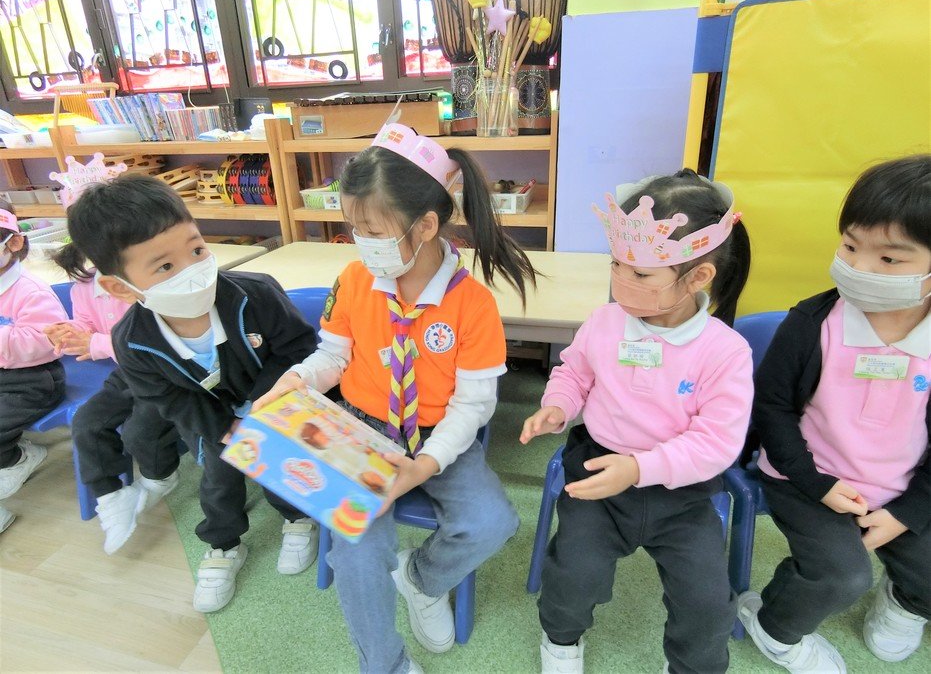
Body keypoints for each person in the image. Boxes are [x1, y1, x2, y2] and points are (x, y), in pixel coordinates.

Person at [255, 122, 538, 673]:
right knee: (358, 553)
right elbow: (333, 357)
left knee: (492, 522)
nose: (360, 241)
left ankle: (421, 579)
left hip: (440, 435)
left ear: (426, 225)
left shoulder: (472, 305)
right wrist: (299, 380)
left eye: (371, 230)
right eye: (353, 227)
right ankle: (384, 664)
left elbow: (473, 406)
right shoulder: (354, 279)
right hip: (361, 428)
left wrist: (425, 465)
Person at [521, 170, 753, 674]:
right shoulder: (605, 321)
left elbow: (716, 444)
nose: (622, 281)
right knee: (574, 572)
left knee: (707, 602)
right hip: (597, 470)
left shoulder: (726, 351)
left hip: (682, 492)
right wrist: (557, 405)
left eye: (642, 274)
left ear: (698, 276)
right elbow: (574, 372)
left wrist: (639, 469)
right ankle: (561, 640)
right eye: (617, 265)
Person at [63, 175, 319, 612]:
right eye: (164, 267)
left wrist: (264, 408)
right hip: (212, 416)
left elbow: (297, 348)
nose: (192, 271)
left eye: (197, 250)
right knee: (218, 481)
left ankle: (297, 518)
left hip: (274, 403)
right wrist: (223, 428)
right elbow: (168, 398)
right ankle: (224, 545)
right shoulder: (133, 341)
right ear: (121, 287)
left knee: (279, 463)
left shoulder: (255, 294)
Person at [739, 155, 930, 672]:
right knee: (841, 575)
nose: (860, 267)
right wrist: (816, 482)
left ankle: (906, 603)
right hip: (807, 476)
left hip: (905, 483)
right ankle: (773, 628)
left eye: (889, 259)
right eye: (849, 246)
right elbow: (772, 409)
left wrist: (908, 512)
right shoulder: (812, 323)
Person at [45, 251, 185, 555]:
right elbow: (86, 324)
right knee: (87, 422)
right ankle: (111, 498)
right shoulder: (85, 285)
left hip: (168, 372)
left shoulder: (146, 277)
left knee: (140, 431)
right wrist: (69, 332)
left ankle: (161, 476)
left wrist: (95, 343)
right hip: (128, 372)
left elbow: (157, 341)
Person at [0, 202, 66, 506]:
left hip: (34, 379)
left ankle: (18, 458)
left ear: (13, 242)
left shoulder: (31, 291)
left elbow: (44, 340)